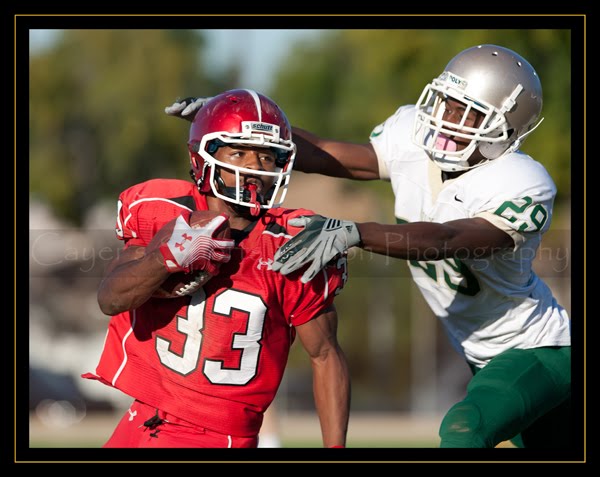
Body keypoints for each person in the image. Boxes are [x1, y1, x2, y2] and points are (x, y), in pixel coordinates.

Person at [165, 44, 571, 449]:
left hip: (537, 349)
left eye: (467, 113)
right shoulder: (414, 138)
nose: (447, 120)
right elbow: (332, 155)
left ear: (505, 128)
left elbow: (447, 239)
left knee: (465, 429)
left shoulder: (521, 182)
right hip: (482, 356)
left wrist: (358, 232)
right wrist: (232, 123)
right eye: (447, 104)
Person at [84, 89, 350, 448]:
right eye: (239, 152)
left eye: (267, 157)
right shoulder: (165, 211)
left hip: (215, 435)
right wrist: (164, 258)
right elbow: (110, 298)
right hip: (142, 416)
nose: (255, 167)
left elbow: (325, 354)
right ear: (202, 157)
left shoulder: (293, 242)